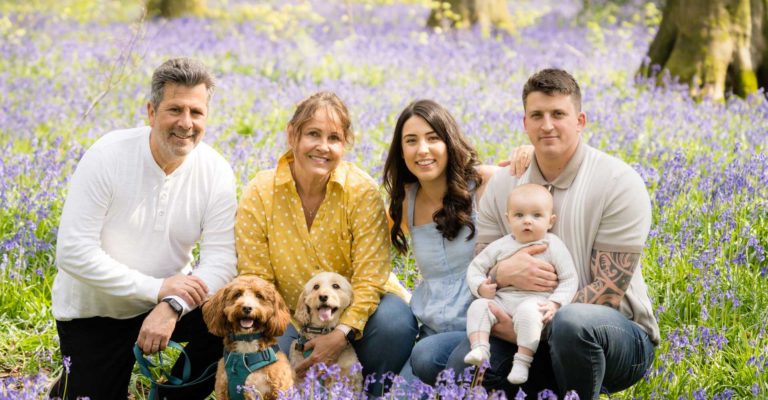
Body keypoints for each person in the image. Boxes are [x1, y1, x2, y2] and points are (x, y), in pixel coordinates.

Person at [446, 68, 659, 399]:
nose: (546, 125)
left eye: (558, 114)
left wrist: (529, 325)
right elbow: (483, 271)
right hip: (521, 327)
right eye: (537, 115)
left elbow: (607, 292)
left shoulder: (618, 182)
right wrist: (502, 273)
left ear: (580, 120)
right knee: (454, 367)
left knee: (571, 325)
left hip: (615, 336)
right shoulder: (503, 184)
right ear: (525, 123)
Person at [51, 58, 237, 400]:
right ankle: (71, 381)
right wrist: (157, 288)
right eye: (174, 110)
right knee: (89, 393)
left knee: (231, 319)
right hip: (98, 312)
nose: (186, 123)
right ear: (151, 112)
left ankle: (174, 395)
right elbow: (73, 253)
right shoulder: (108, 156)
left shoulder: (216, 172)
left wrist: (173, 303)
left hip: (172, 305)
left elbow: (222, 258)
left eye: (196, 112)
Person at [235, 91, 418, 396]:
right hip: (291, 317)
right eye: (313, 134)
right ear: (292, 135)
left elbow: (370, 277)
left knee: (396, 322)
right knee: (262, 357)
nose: (323, 146)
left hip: (359, 315)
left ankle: (371, 392)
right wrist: (295, 329)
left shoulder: (360, 191)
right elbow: (257, 280)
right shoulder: (260, 191)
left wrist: (341, 333)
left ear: (345, 143)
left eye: (334, 137)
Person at [382, 99, 532, 385]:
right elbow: (369, 250)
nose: (422, 150)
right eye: (411, 141)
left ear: (449, 142)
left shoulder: (485, 182)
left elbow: (540, 204)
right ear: (401, 152)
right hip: (432, 333)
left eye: (433, 138)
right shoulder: (405, 201)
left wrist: (531, 155)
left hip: (483, 331)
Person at [463, 183, 577, 385]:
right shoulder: (502, 244)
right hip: (503, 302)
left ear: (550, 221)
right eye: (519, 215)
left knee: (528, 314)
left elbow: (569, 279)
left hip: (536, 301)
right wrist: (481, 287)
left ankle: (522, 361)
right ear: (508, 219)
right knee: (478, 306)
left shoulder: (553, 245)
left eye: (536, 216)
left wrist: (555, 303)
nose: (527, 221)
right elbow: (475, 268)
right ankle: (480, 347)